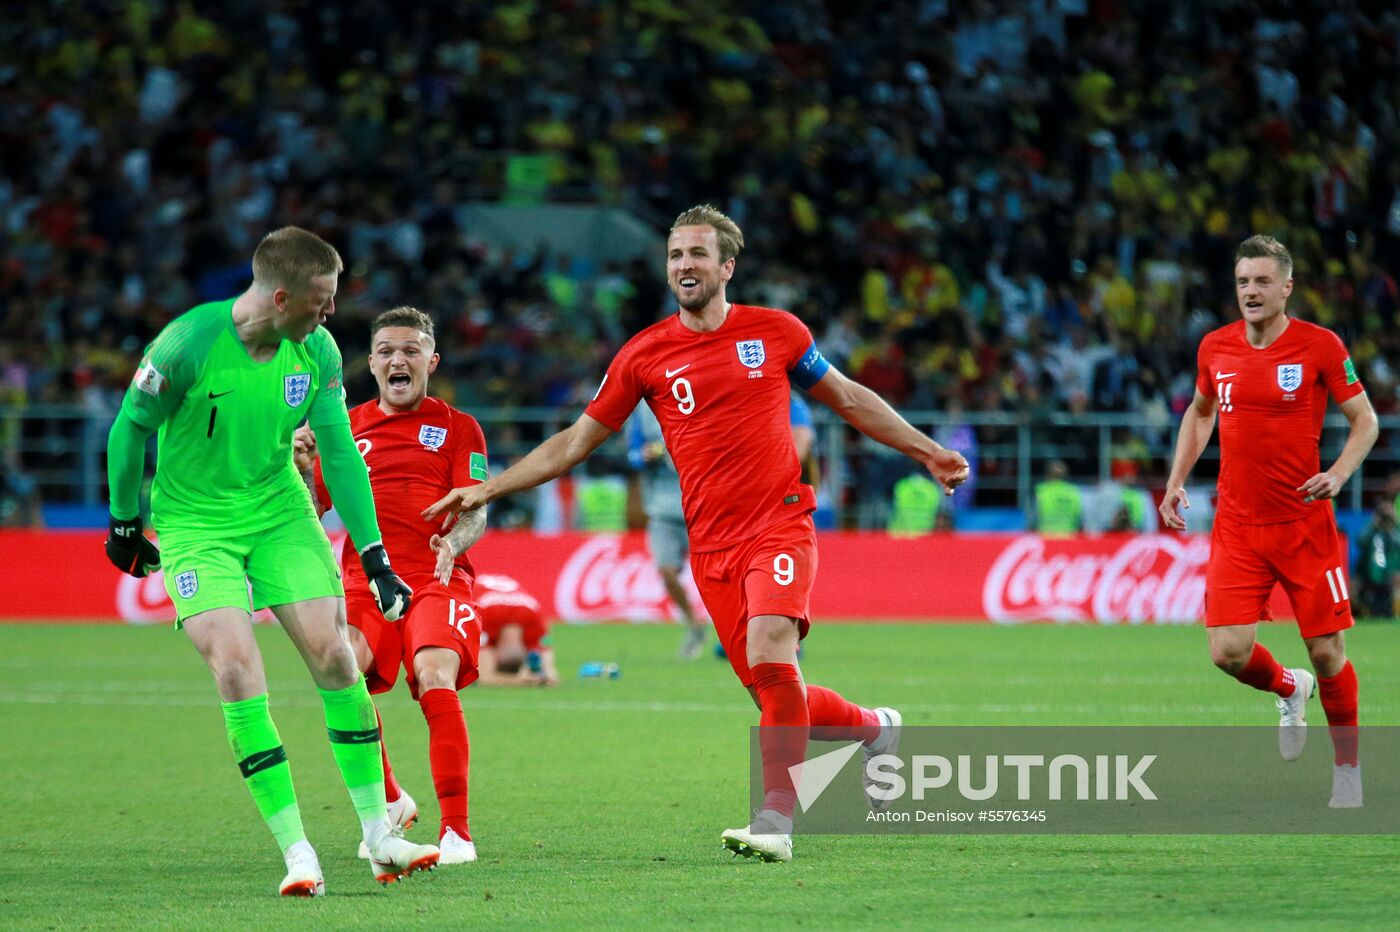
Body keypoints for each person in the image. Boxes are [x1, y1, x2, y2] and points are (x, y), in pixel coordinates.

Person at [423, 204, 970, 862]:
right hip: (710, 546)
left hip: (779, 521)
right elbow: (574, 442)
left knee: (773, 650)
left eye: (698, 254)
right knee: (776, 687)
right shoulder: (644, 355)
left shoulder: (777, 333)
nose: (684, 264)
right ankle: (876, 729)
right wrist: (490, 486)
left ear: (726, 267)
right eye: (676, 255)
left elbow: (849, 399)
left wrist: (925, 451)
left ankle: (775, 820)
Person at [102, 228, 438, 897]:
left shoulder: (313, 348)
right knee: (234, 667)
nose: (330, 314)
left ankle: (380, 837)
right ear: (280, 296)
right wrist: (121, 521)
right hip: (197, 524)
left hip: (280, 510)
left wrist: (373, 554)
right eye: (321, 300)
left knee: (337, 656)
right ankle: (297, 852)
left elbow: (338, 450)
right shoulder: (186, 345)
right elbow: (129, 426)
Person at [1160, 235, 1379, 809]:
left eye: (1261, 282)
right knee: (1227, 652)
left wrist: (1337, 474)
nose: (1251, 292)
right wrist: (1177, 479)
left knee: (1329, 654)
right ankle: (1288, 687)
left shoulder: (1321, 347)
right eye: (1242, 282)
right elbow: (1200, 412)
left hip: (1304, 524)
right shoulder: (1216, 348)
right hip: (1238, 523)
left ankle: (1348, 770)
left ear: (1286, 287)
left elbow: (1366, 422)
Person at [296, 306, 488, 866]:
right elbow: (311, 515)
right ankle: (390, 800)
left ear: (432, 360)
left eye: (410, 351)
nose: (397, 360)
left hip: (437, 575)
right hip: (365, 579)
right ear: (372, 362)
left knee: (433, 675)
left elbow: (475, 506)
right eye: (385, 351)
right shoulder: (344, 427)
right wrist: (306, 470)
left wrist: (456, 540)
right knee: (342, 671)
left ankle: (457, 832)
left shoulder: (458, 426)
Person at [473, 573, 561, 686]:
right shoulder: (482, 618)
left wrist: (546, 677)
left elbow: (551, 676)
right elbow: (484, 677)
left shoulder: (534, 619)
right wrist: (523, 680)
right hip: (468, 594)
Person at [1354, 499, 1400, 619]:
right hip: (1369, 574)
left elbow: (1397, 545)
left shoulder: (1396, 530)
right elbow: (1361, 541)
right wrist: (1374, 524)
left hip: (1391, 574)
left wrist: (1392, 526)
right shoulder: (1371, 529)